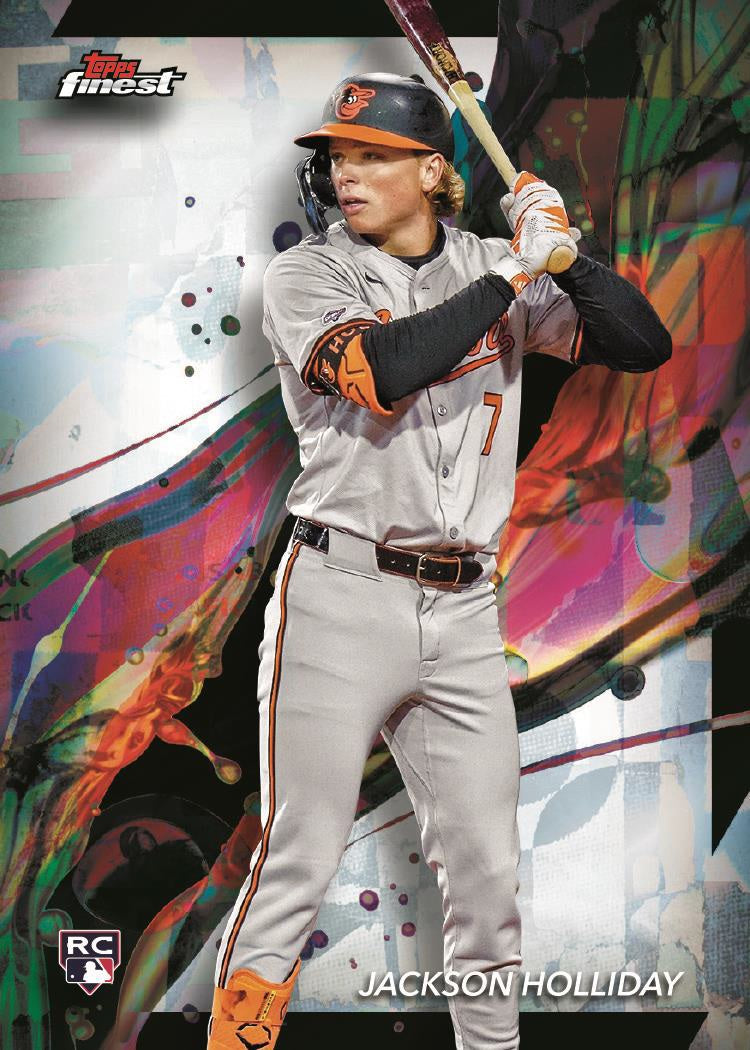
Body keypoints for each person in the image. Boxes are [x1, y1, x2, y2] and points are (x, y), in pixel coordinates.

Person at [207, 73, 671, 1050]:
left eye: (372, 155)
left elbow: (643, 344)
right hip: (340, 595)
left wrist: (570, 259)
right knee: (300, 855)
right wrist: (513, 278)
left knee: (487, 874)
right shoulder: (307, 276)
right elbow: (385, 371)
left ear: (431, 172)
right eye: (338, 156)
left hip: (464, 611)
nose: (345, 173)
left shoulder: (499, 261)